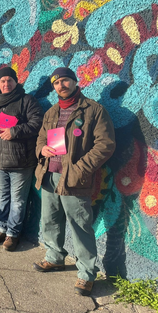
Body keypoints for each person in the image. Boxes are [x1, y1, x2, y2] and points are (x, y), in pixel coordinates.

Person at [33, 67, 115, 296]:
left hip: (75, 178)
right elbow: (40, 137)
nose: (61, 85)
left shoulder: (94, 110)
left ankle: (86, 274)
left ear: (75, 81)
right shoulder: (51, 112)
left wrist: (80, 169)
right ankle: (54, 258)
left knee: (80, 226)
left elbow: (105, 144)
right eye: (57, 82)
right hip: (49, 175)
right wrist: (42, 149)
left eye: (65, 81)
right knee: (49, 221)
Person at [0, 67, 43, 251]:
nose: (6, 84)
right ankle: (2, 229)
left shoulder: (27, 101)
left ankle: (13, 234)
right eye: (2, 81)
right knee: (3, 198)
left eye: (9, 80)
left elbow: (37, 123)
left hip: (21, 162)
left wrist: (14, 131)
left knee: (18, 200)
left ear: (16, 82)